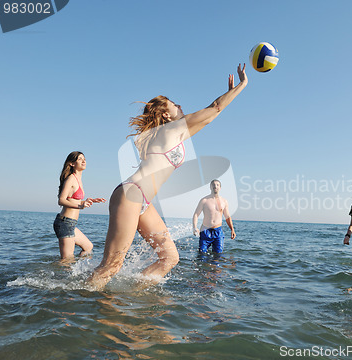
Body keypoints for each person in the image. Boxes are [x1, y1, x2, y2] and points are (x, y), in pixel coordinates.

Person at [88, 64, 248, 290]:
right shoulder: (170, 131)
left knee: (169, 258)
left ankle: (130, 295)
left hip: (143, 201)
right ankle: (78, 304)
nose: (181, 106)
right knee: (111, 266)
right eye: (175, 105)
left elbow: (211, 114)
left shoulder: (175, 133)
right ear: (165, 114)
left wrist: (228, 93)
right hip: (131, 194)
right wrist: (241, 86)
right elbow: (214, 109)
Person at [54, 151, 106, 260]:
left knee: (88, 247)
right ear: (72, 163)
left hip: (70, 223)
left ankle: (78, 272)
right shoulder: (71, 179)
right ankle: (59, 276)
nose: (84, 161)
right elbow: (61, 200)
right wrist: (80, 206)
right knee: (67, 259)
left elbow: (72, 199)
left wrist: (87, 201)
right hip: (65, 222)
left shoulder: (79, 179)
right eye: (79, 159)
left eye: (84, 159)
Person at [192, 179, 236, 254]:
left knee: (218, 255)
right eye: (213, 184)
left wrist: (232, 229)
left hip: (218, 231)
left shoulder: (224, 201)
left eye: (217, 185)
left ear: (220, 188)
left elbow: (227, 216)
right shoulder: (204, 200)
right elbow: (196, 214)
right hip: (205, 230)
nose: (215, 186)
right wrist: (194, 227)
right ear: (210, 187)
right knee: (202, 255)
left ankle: (214, 265)